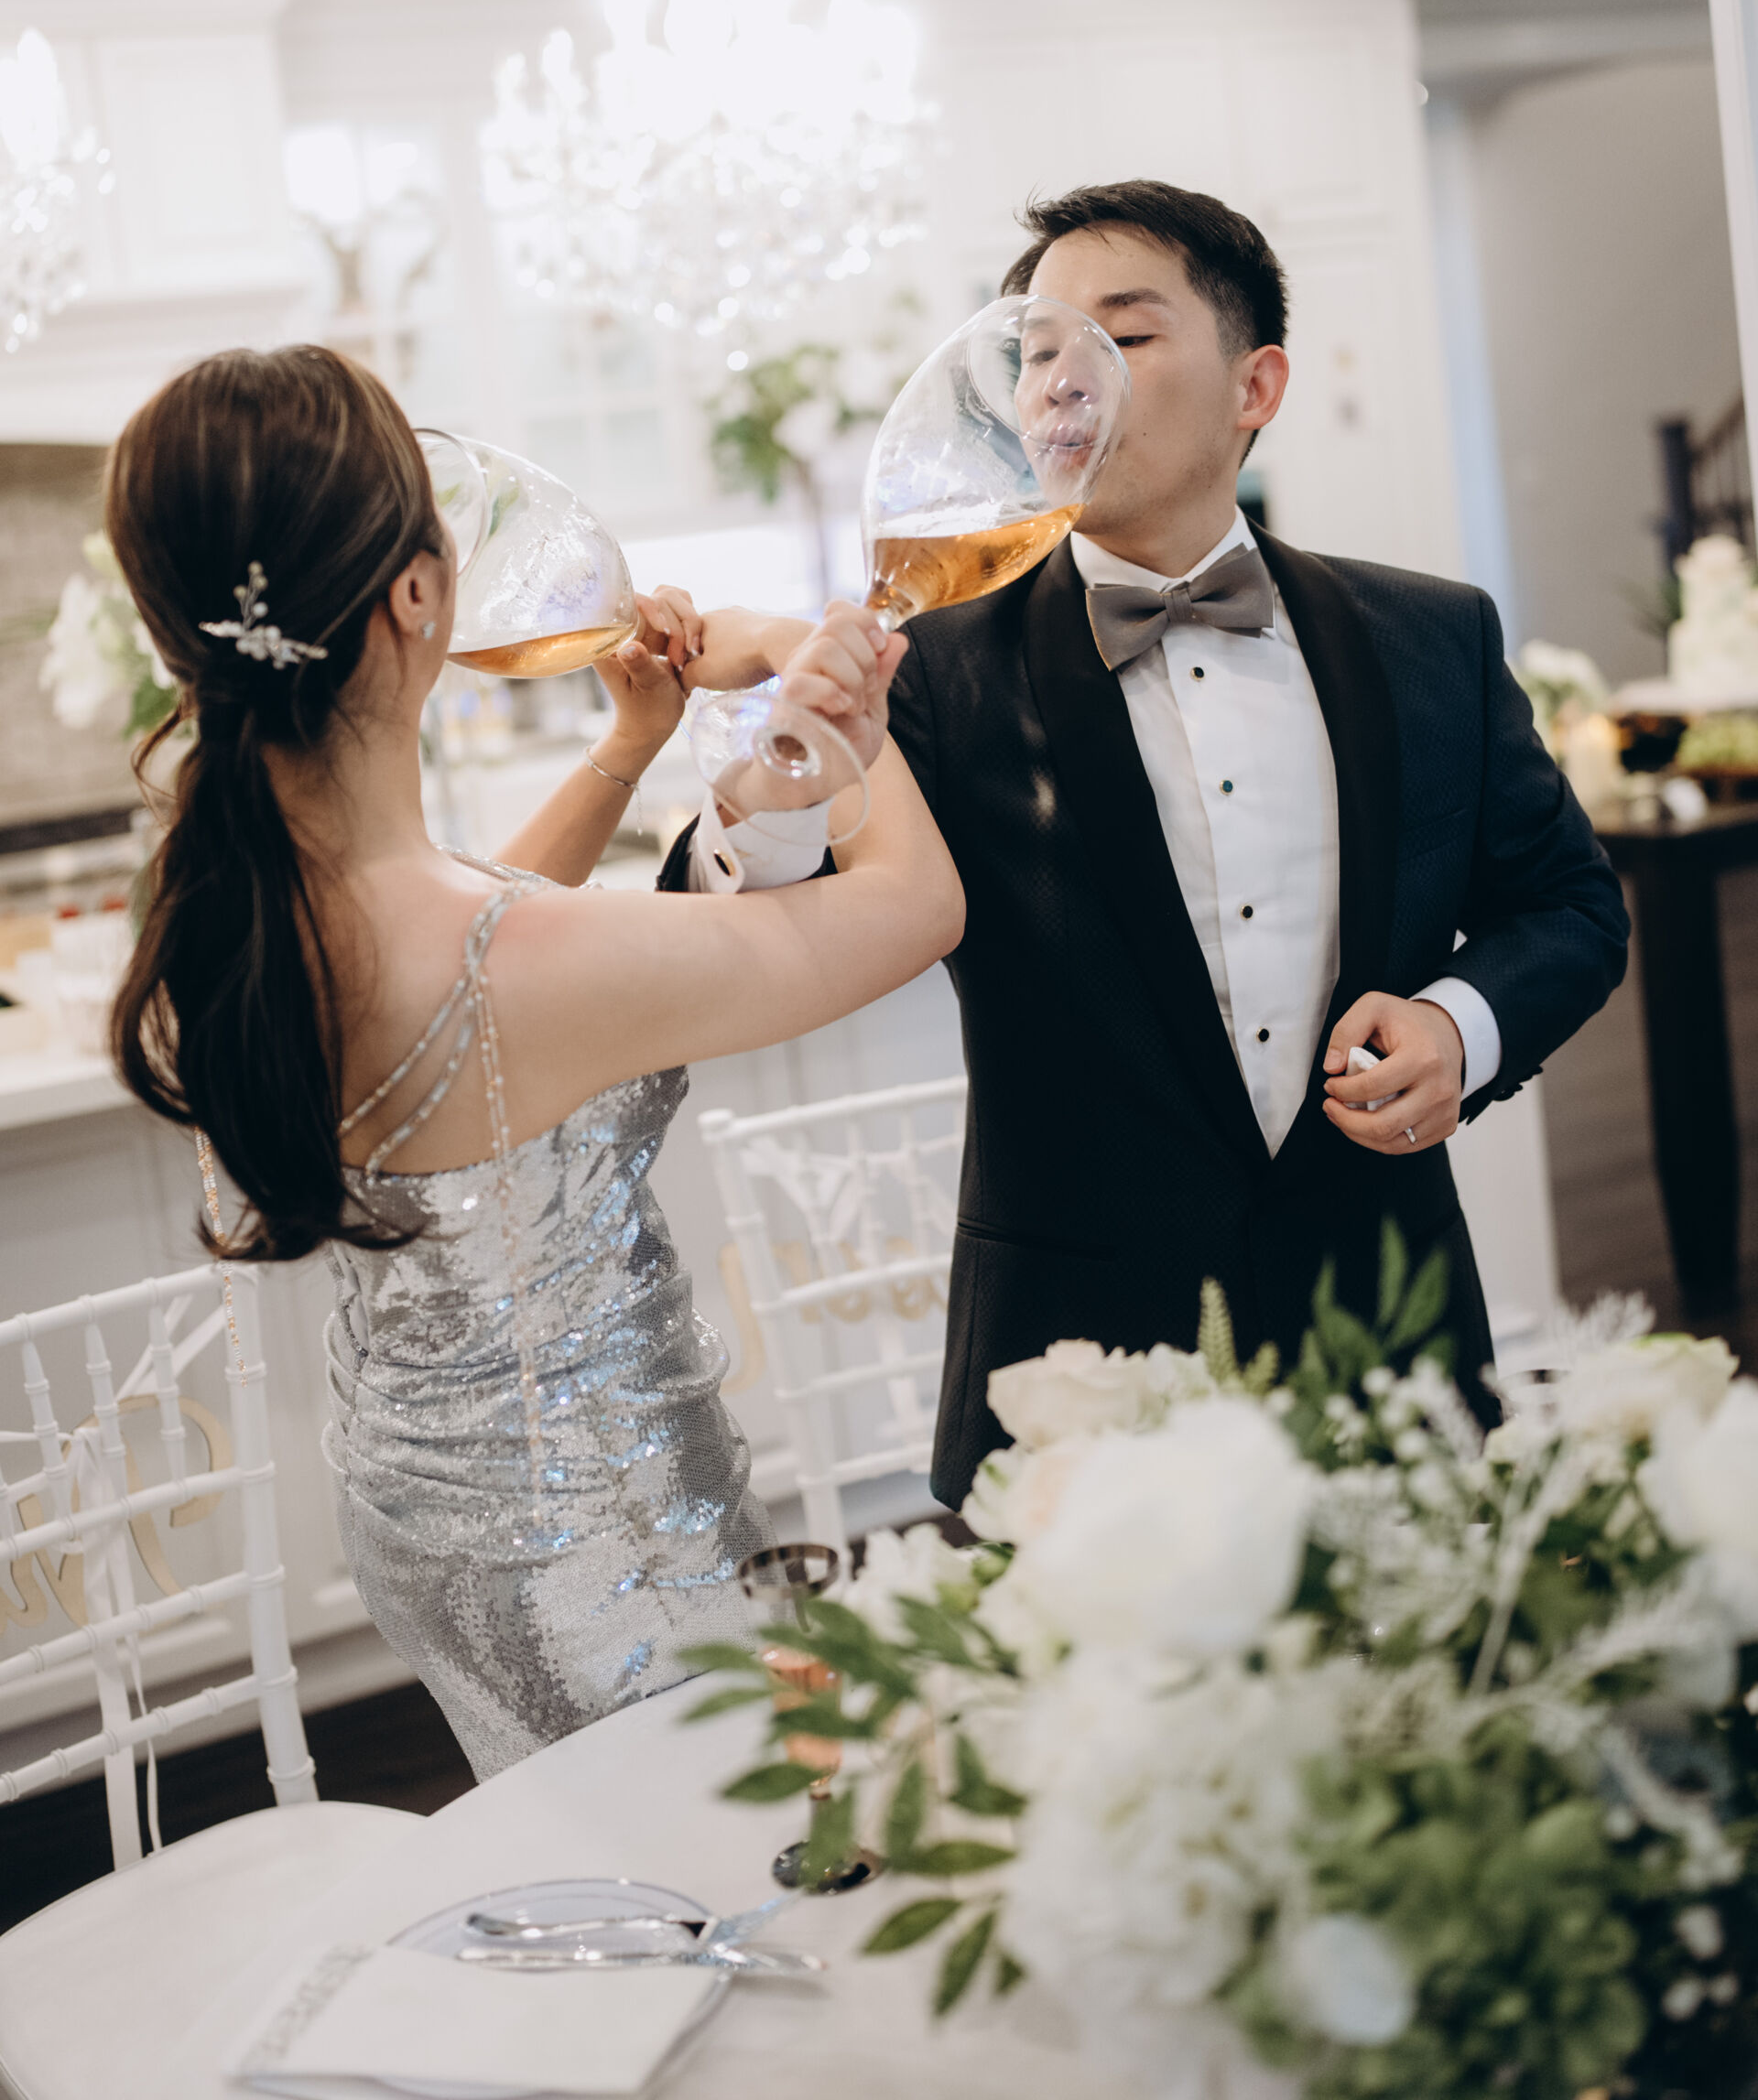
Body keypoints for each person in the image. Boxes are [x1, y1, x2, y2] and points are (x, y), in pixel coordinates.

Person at [678, 179, 1632, 1510]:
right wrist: (788, 783)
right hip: (1078, 1383)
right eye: (1038, 354)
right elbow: (737, 943)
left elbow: (1573, 908)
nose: (1066, 381)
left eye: (1121, 335)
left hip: (1389, 1340)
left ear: (1256, 386)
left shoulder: (1433, 638)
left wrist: (1458, 1027)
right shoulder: (937, 674)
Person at [105, 344, 961, 1779]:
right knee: (727, 1849)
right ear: (418, 594)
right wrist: (821, 697)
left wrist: (632, 746)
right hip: (604, 1548)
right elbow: (914, 909)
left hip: (426, 1520)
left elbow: (471, 963)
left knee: (588, 1835)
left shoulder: (236, 912)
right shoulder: (514, 960)